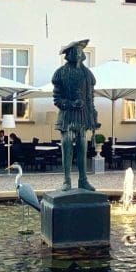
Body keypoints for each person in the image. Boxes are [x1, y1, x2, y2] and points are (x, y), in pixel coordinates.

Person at [52, 38, 99, 191]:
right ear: (70, 54)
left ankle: (83, 180)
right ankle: (66, 180)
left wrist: (92, 117)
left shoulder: (87, 75)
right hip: (67, 116)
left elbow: (90, 97)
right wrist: (71, 104)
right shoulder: (60, 73)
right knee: (66, 144)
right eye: (76, 51)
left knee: (82, 146)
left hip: (82, 116)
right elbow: (57, 99)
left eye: (81, 51)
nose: (79, 54)